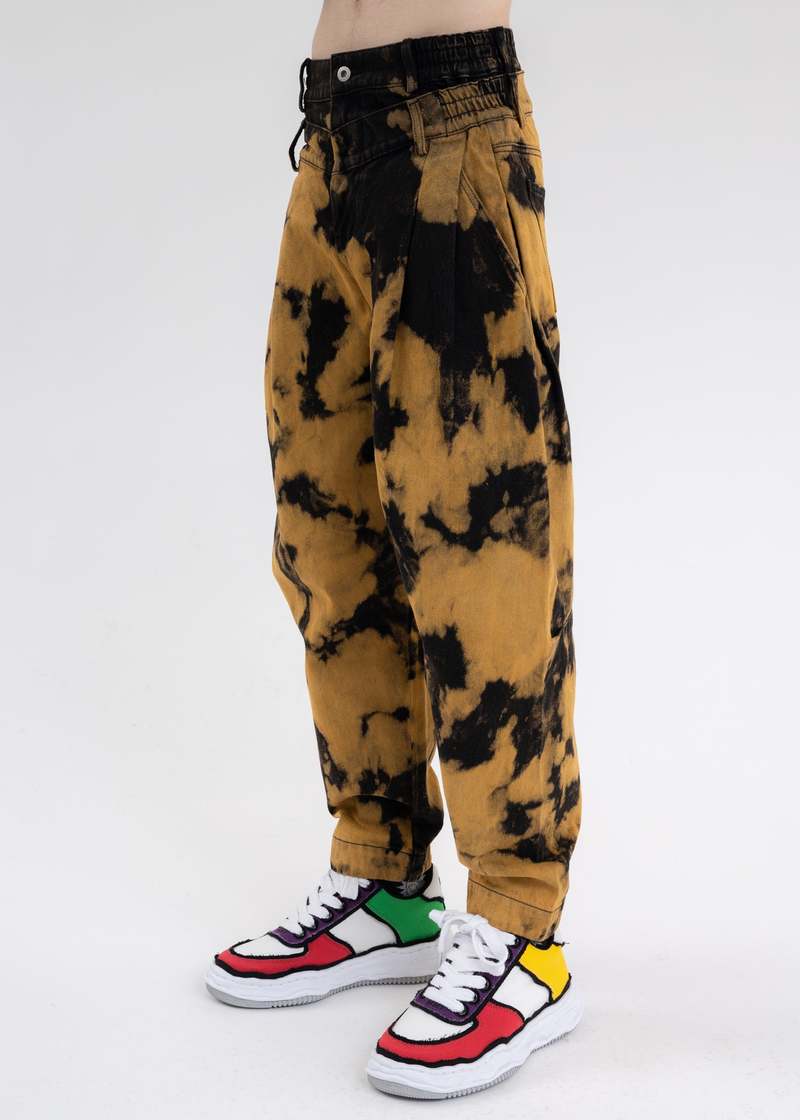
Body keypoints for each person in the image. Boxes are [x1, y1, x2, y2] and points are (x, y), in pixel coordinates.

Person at [206, 0, 582, 1099]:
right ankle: (384, 877)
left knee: (484, 559)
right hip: (331, 139)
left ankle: (522, 932)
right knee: (326, 535)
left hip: (453, 131)